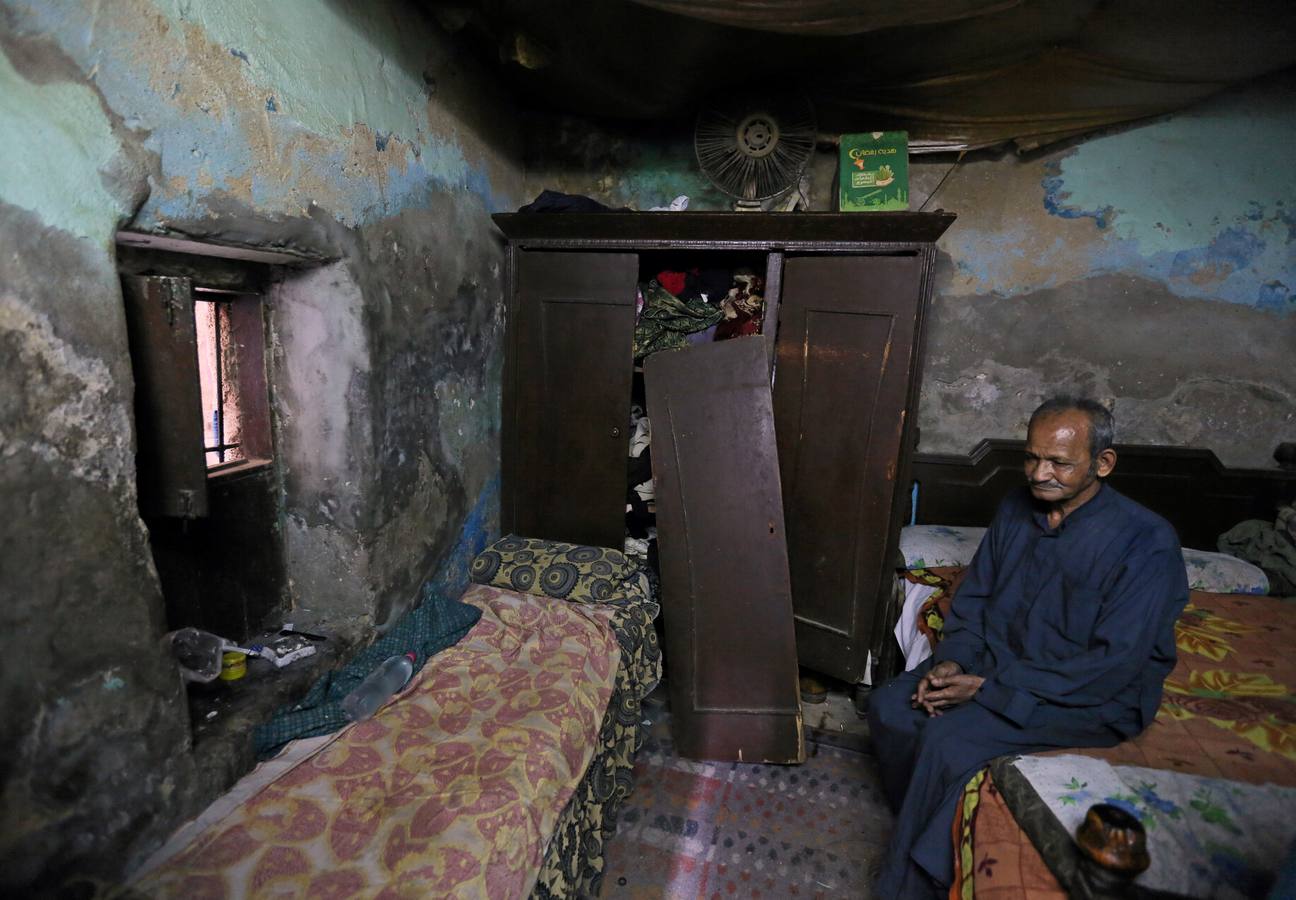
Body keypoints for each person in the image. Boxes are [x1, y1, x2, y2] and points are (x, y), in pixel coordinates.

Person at [868, 396, 1189, 898]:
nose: (1040, 474)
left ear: (1102, 464)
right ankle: (923, 816)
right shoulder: (1016, 508)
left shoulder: (1146, 541)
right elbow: (974, 601)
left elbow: (1114, 664)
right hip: (997, 662)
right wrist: (953, 661)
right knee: (890, 703)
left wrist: (987, 690)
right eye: (1032, 458)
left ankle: (907, 885)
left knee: (946, 741)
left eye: (1059, 462)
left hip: (1088, 695)